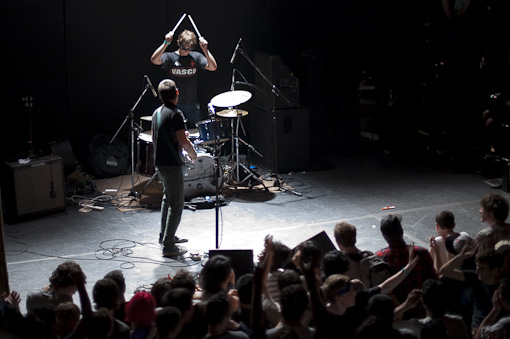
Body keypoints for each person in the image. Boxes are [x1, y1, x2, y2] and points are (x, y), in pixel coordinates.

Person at [152, 79, 197, 258]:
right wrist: (193, 155)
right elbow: (184, 142)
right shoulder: (176, 114)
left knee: (167, 200)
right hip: (171, 165)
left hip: (160, 164)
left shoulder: (157, 112)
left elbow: (166, 135)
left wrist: (179, 135)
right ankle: (169, 246)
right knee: (177, 204)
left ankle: (165, 236)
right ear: (177, 92)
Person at [150, 29, 218, 129]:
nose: (186, 51)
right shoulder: (170, 57)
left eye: (188, 49)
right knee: (175, 133)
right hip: (175, 105)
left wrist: (205, 50)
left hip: (192, 104)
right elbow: (154, 60)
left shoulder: (196, 57)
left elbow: (213, 67)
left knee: (199, 133)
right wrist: (165, 43)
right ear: (178, 43)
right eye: (183, 48)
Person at [375, 214, 438, 319]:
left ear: (383, 235)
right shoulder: (421, 253)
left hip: (397, 317)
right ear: (402, 231)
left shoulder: (379, 259)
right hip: (422, 314)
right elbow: (434, 282)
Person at [439, 247, 503, 335]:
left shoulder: (502, 288)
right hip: (473, 333)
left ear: (495, 270)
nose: (478, 271)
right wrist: (461, 256)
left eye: (482, 268)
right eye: (477, 266)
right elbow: (445, 271)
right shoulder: (476, 278)